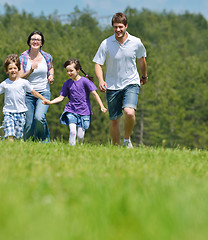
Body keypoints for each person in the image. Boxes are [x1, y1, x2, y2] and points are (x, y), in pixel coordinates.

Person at [93, 12, 148, 148]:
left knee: (129, 112)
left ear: (126, 26)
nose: (118, 30)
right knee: (114, 120)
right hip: (112, 85)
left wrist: (144, 75)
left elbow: (142, 60)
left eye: (120, 27)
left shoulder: (136, 42)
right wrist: (100, 80)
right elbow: (98, 64)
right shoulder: (106, 43)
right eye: (115, 27)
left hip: (131, 83)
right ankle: (116, 149)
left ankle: (126, 139)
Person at [43, 58, 107, 146]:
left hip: (84, 111)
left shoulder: (85, 81)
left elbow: (95, 94)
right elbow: (61, 97)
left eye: (71, 71)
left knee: (80, 136)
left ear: (78, 70)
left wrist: (102, 106)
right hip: (71, 110)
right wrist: (50, 102)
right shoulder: (67, 83)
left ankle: (79, 147)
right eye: (67, 71)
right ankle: (71, 148)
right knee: (73, 132)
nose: (69, 73)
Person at [0, 54, 48, 141]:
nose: (13, 70)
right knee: (10, 133)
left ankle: (15, 148)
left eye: (15, 68)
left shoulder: (24, 83)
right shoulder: (4, 84)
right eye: (10, 69)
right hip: (8, 112)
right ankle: (10, 145)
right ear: (6, 71)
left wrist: (43, 99)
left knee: (18, 136)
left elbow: (33, 92)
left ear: (19, 69)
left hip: (21, 112)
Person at [19, 30, 54, 142]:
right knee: (29, 122)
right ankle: (28, 142)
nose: (35, 41)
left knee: (39, 118)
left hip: (43, 92)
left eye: (38, 40)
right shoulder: (23, 57)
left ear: (42, 43)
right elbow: (20, 77)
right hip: (27, 94)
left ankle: (44, 142)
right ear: (29, 42)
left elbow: (51, 68)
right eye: (33, 39)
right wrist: (30, 70)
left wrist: (51, 75)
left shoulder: (47, 57)